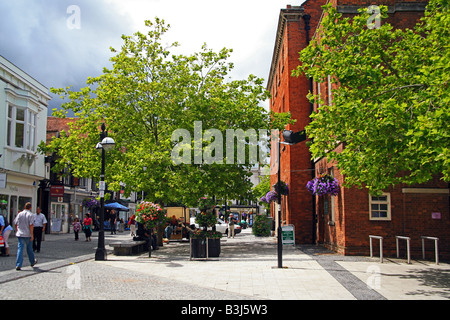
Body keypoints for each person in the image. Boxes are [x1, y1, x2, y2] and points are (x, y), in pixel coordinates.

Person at [14, 202, 37, 270]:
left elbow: (15, 223)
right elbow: (31, 225)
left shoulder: (20, 214)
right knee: (29, 248)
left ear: (24, 207)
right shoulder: (31, 215)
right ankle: (32, 261)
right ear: (30, 208)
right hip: (28, 234)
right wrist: (32, 235)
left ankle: (18, 264)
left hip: (20, 234)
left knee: (20, 249)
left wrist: (17, 230)